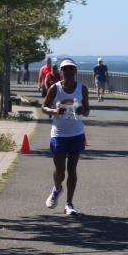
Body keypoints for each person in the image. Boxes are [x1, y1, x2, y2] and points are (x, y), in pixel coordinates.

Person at [42, 58, 89, 216]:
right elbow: (44, 107)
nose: (68, 72)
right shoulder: (55, 88)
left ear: (75, 71)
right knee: (60, 172)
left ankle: (69, 204)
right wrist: (55, 111)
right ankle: (57, 189)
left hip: (76, 133)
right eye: (65, 69)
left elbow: (87, 110)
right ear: (61, 72)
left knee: (72, 170)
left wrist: (82, 110)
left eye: (71, 69)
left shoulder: (82, 89)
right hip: (59, 134)